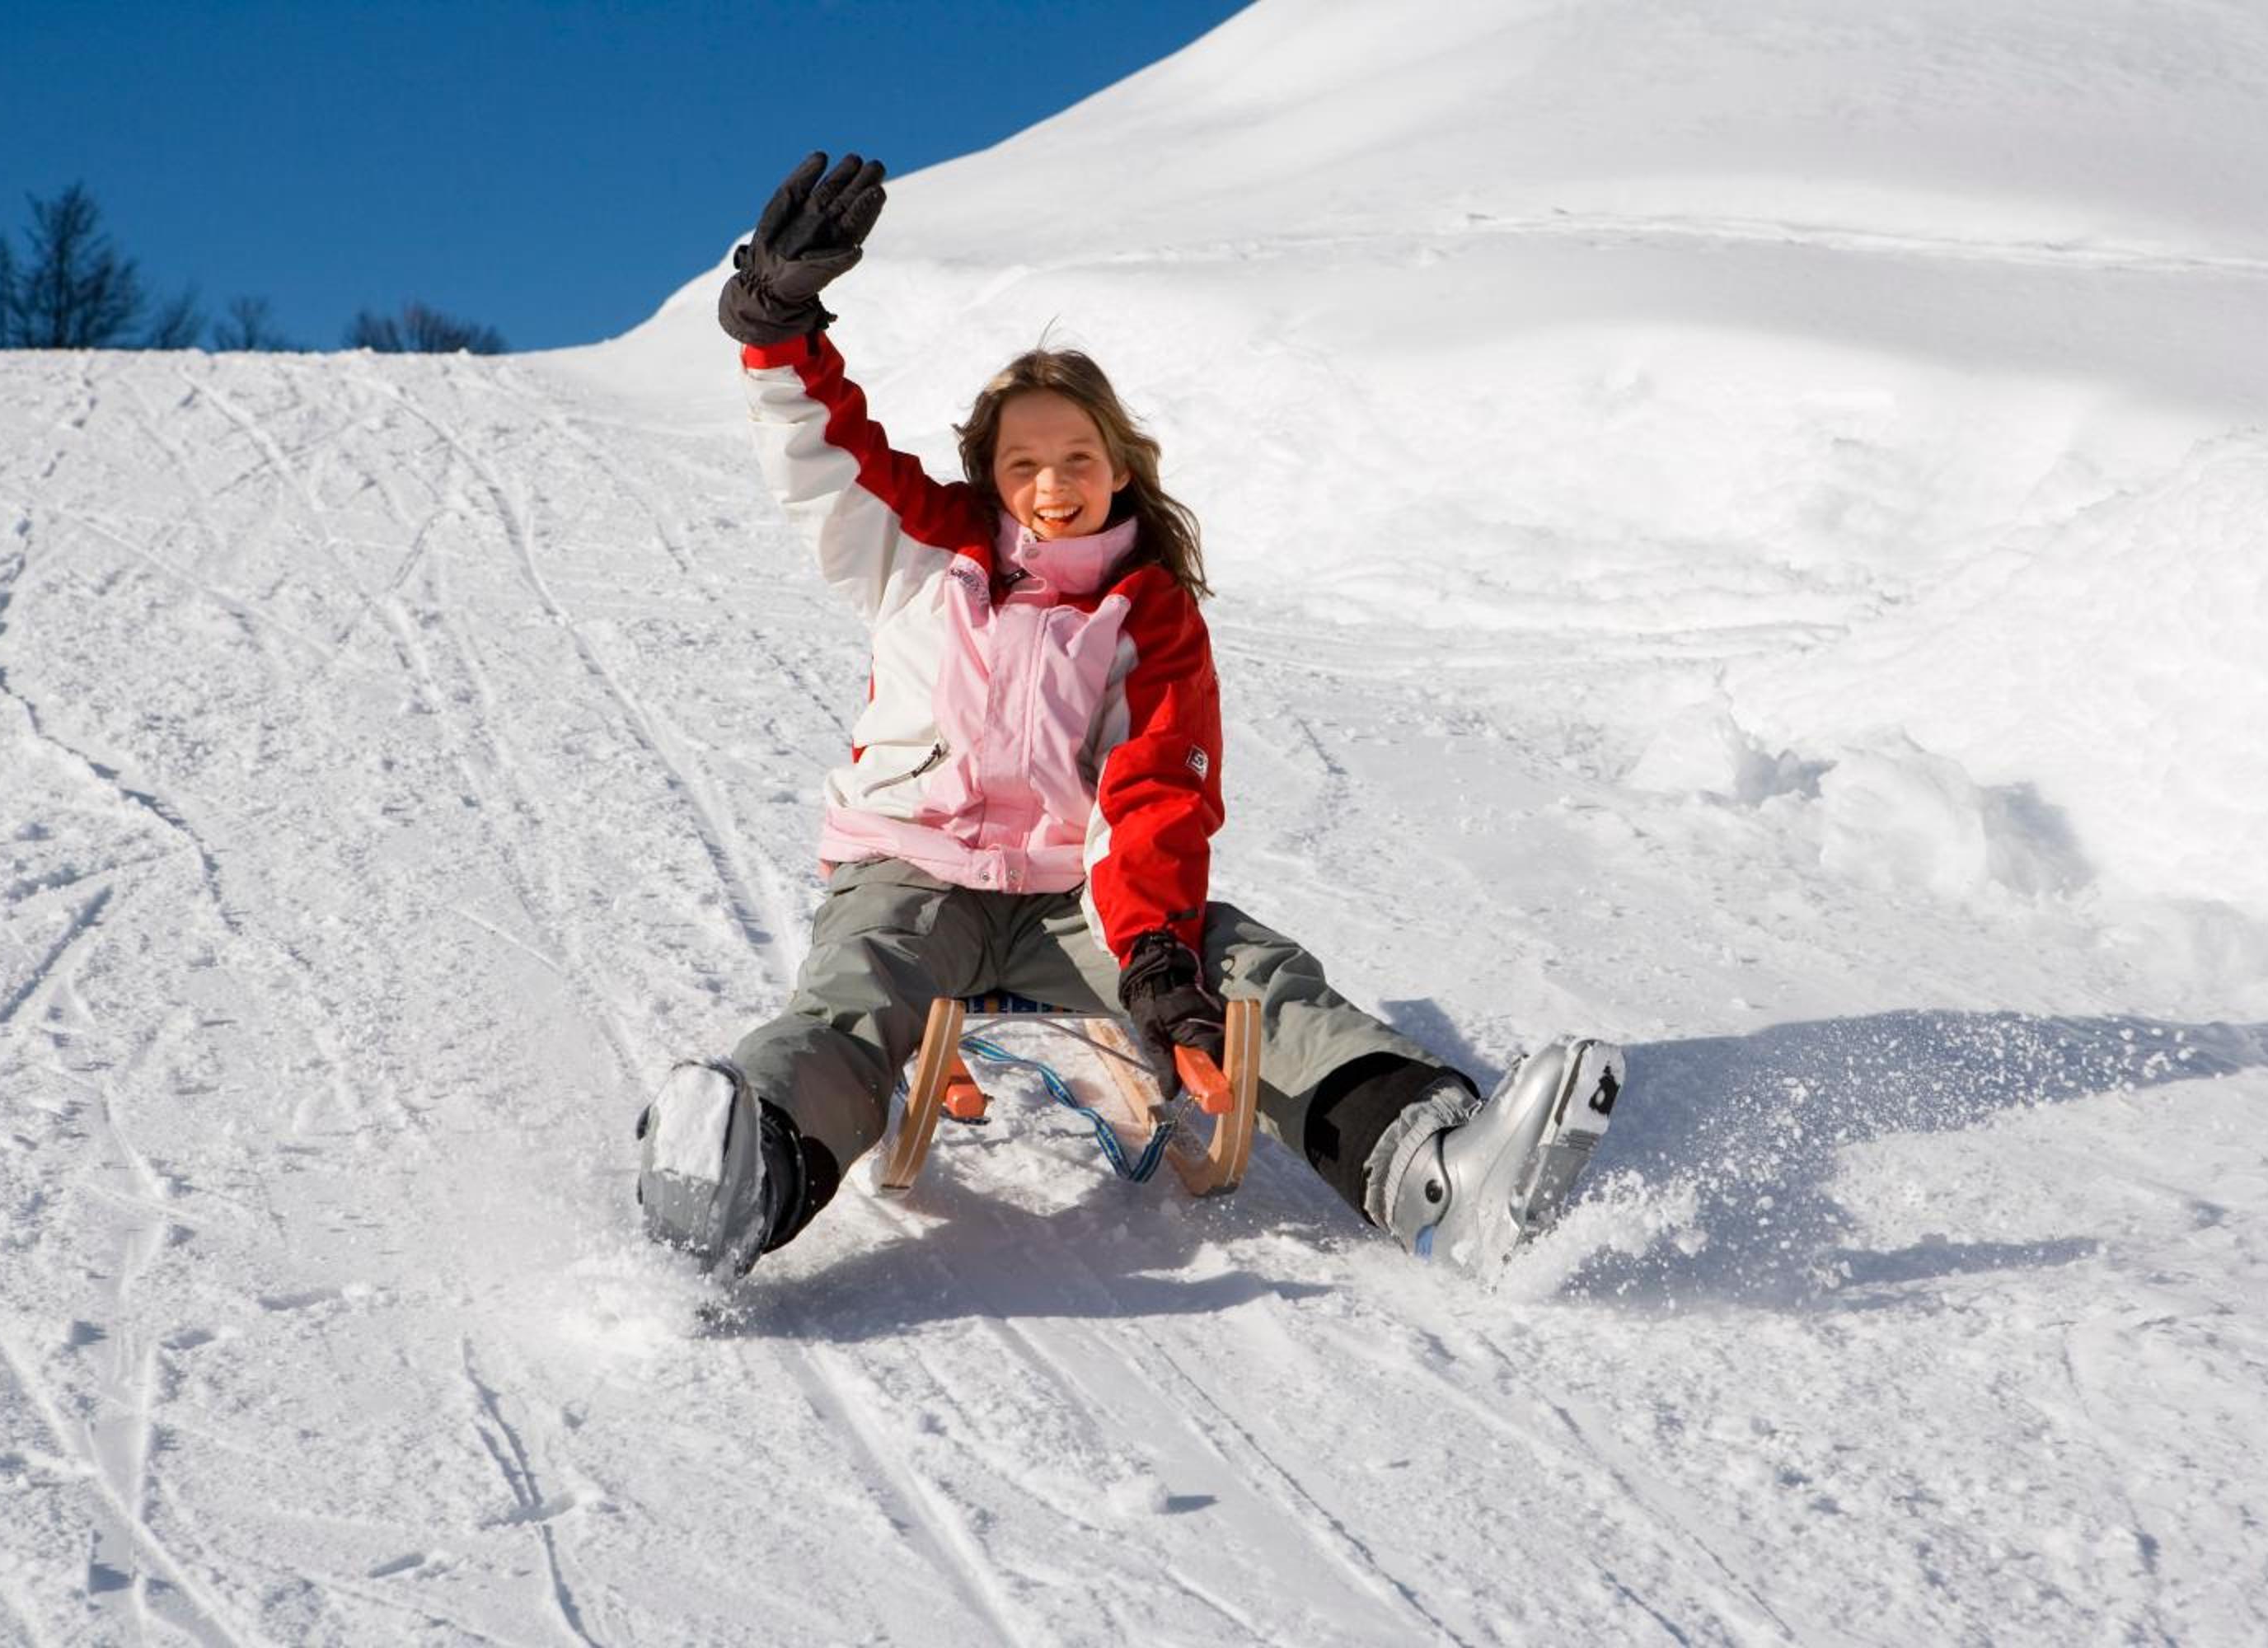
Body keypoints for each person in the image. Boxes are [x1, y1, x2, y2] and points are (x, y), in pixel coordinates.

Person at [638, 152, 1624, 1284]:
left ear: (1120, 468)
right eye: (1023, 463)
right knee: (855, 998)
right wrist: (775, 324)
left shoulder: (1146, 614)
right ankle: (747, 1175)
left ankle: (1429, 1168)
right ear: (987, 476)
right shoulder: (918, 548)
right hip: (914, 875)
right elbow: (823, 455)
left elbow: (1151, 786)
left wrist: (1156, 959)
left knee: (1250, 976)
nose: (1052, 485)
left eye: (1077, 458)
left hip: (1078, 899)